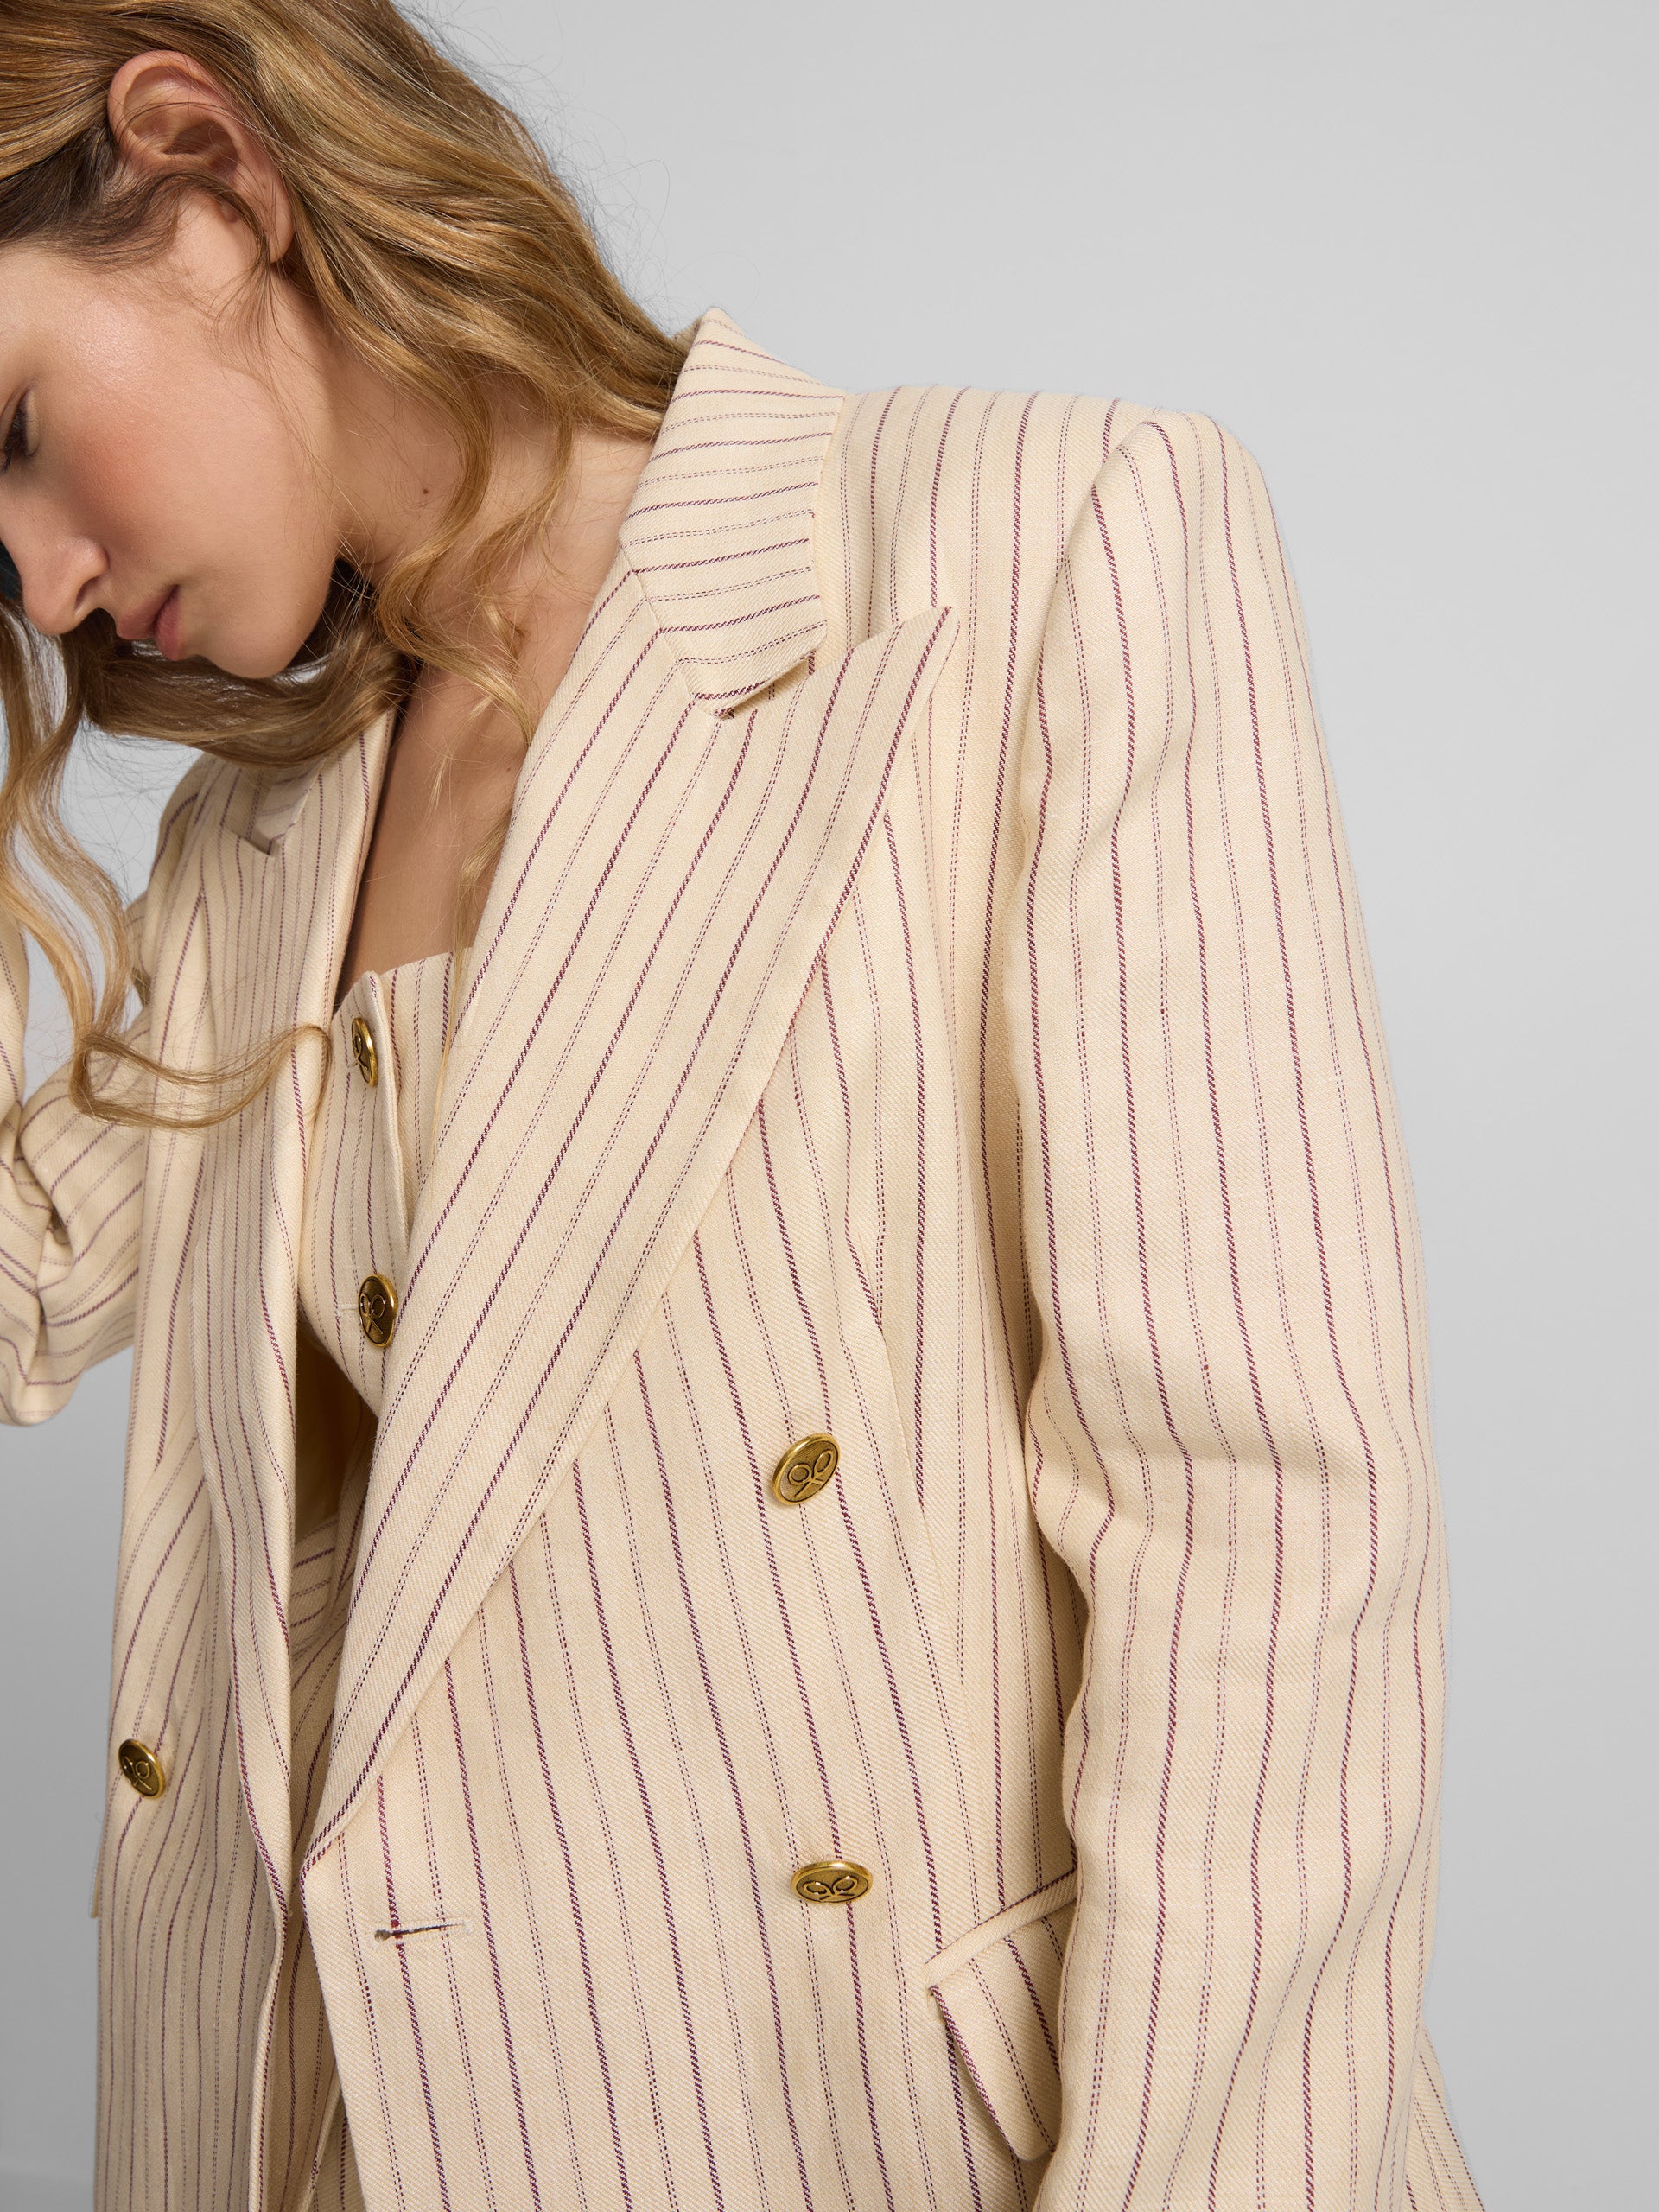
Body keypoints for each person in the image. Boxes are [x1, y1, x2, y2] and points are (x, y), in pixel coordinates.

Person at [0, 4, 1486, 2209]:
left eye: (19, 432)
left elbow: (1265, 1542)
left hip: (887, 2138)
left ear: (205, 159)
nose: (41, 581)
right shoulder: (255, 847)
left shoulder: (1027, 546)